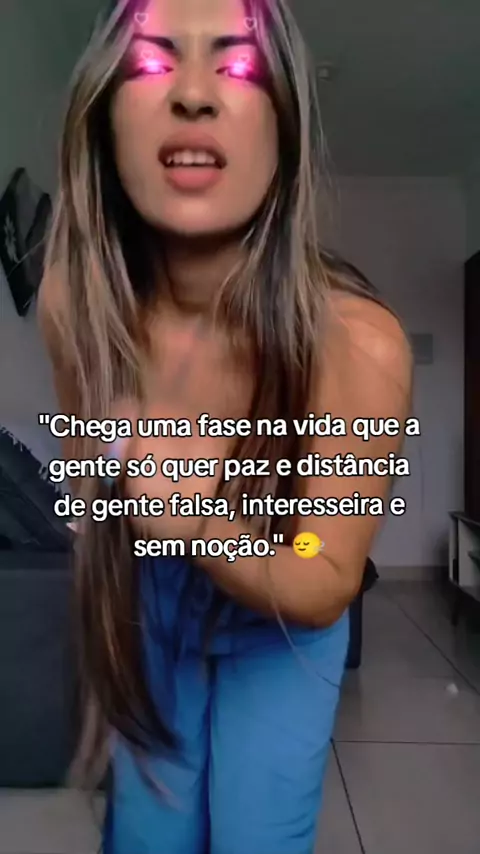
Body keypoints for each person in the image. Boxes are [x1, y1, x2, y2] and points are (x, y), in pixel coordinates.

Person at [37, 0, 412, 851]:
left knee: (254, 837)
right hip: (149, 603)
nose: (195, 92)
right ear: (102, 114)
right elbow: (91, 478)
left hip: (285, 613)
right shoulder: (74, 304)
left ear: (285, 125)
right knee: (147, 836)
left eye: (239, 64)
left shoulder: (357, 342)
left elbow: (325, 570)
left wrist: (196, 518)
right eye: (151, 61)